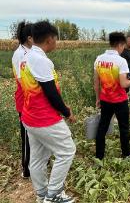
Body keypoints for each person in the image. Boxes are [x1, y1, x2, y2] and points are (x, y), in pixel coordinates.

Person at [20, 21, 76, 203]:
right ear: (50, 39)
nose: (56, 42)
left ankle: (42, 194)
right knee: (67, 150)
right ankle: (53, 195)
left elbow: (44, 91)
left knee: (37, 158)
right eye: (56, 39)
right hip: (44, 118)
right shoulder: (41, 60)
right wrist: (66, 112)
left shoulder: (28, 56)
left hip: (30, 116)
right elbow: (50, 92)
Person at [94, 32, 130, 159]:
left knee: (102, 126)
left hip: (105, 99)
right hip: (120, 100)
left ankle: (99, 156)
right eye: (123, 46)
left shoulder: (99, 59)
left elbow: (96, 83)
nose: (123, 49)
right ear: (120, 44)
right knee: (124, 127)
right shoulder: (121, 61)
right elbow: (124, 84)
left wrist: (98, 98)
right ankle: (126, 154)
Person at [12, 21, 33, 178]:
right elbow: (22, 81)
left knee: (36, 134)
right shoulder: (19, 54)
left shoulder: (31, 51)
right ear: (30, 38)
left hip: (32, 98)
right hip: (25, 99)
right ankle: (26, 168)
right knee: (26, 135)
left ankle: (37, 163)